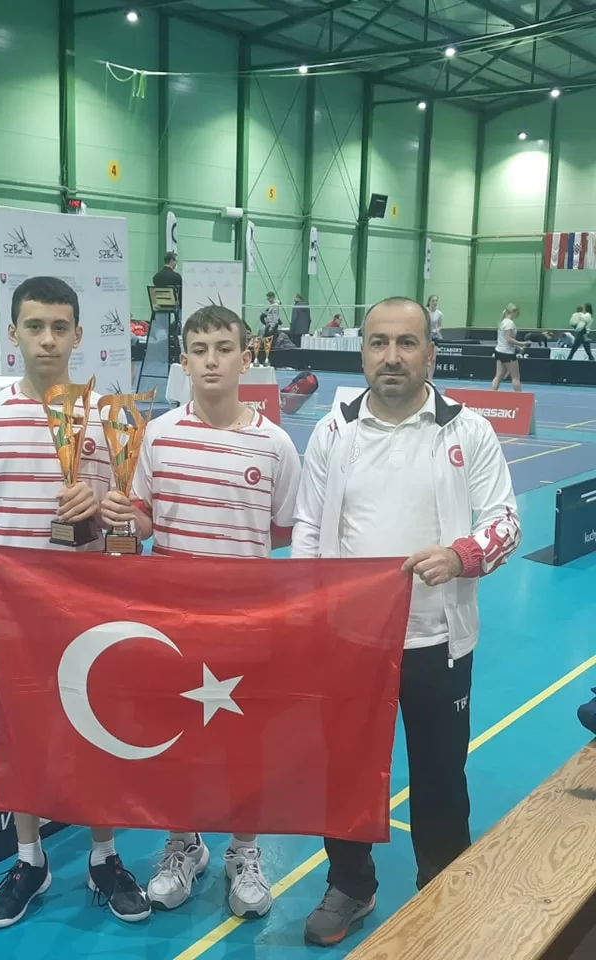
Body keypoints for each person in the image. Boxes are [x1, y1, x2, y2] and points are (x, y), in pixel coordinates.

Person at [292, 296, 520, 947]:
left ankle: (442, 883)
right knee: (346, 772)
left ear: (430, 353)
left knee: (441, 776)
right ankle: (350, 884)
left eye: (406, 343)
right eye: (379, 343)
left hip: (437, 641)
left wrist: (461, 554)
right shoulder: (333, 430)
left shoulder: (467, 431)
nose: (391, 356)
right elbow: (307, 527)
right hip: (350, 640)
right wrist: (312, 615)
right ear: (362, 352)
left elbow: (506, 522)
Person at [0, 276, 150, 929]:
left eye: (60, 327)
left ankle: (104, 856)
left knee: (100, 727)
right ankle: (30, 860)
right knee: (22, 731)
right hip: (16, 611)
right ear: (14, 333)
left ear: (79, 334)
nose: (48, 339)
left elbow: (134, 519)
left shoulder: (110, 416)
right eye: (35, 326)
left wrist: (107, 507)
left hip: (93, 603)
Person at [100, 304, 301, 921]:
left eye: (224, 348)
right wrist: (125, 517)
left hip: (246, 626)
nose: (212, 360)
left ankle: (244, 850)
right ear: (183, 361)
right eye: (199, 349)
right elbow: (146, 522)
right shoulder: (157, 435)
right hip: (174, 625)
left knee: (244, 743)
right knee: (180, 740)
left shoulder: (276, 444)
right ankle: (183, 844)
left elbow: (283, 533)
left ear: (246, 356)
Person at [491, 303, 531, 392]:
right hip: (508, 354)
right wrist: (522, 343)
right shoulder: (509, 324)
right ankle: (519, 397)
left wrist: (518, 349)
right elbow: (509, 339)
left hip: (499, 351)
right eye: (517, 313)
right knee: (515, 377)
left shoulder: (503, 322)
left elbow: (505, 340)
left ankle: (491, 394)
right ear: (514, 312)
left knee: (498, 376)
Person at [426, 295, 443, 379]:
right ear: (429, 302)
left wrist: (437, 330)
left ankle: (430, 379)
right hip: (426, 337)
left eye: (436, 301)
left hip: (434, 337)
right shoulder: (425, 312)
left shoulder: (439, 314)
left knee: (433, 359)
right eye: (433, 301)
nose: (435, 302)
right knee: (425, 358)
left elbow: (440, 325)